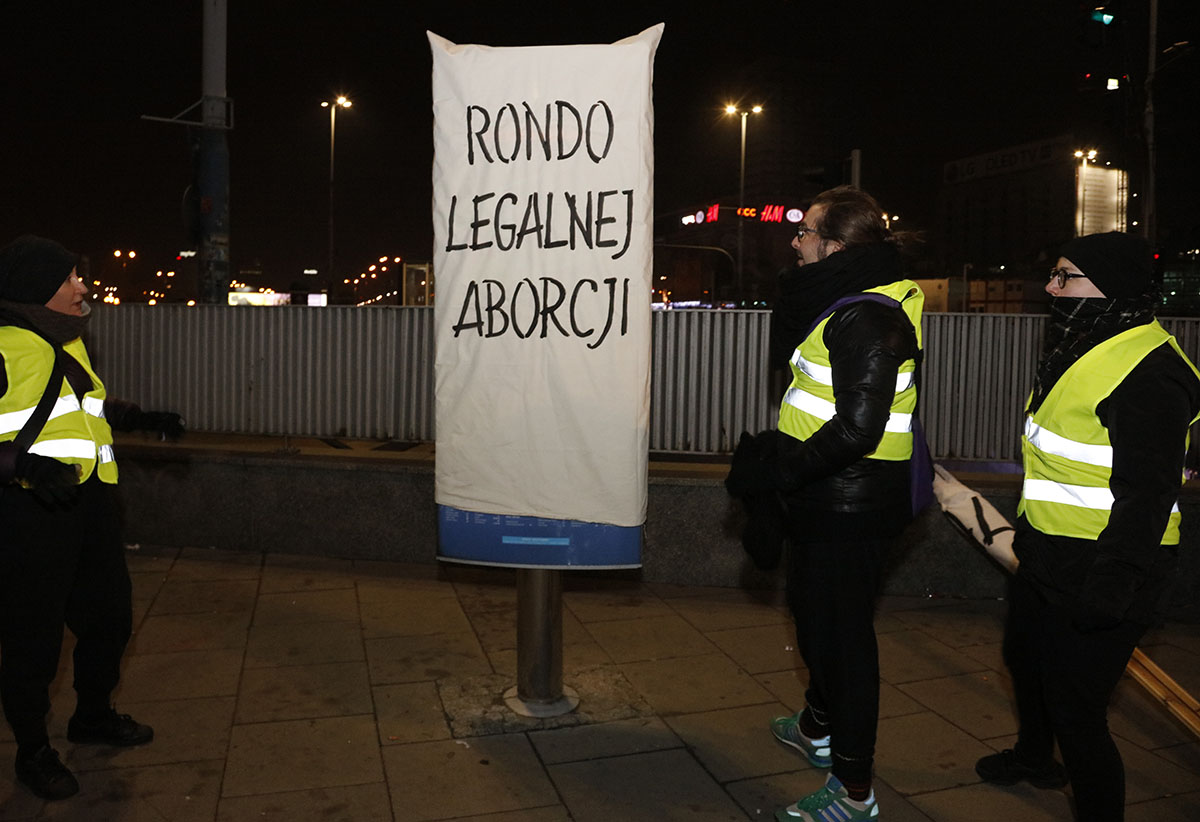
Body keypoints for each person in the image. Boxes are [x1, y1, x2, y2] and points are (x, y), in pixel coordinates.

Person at [975, 232, 1200, 821]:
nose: (1051, 288)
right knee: (1024, 659)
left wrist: (1111, 588)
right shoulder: (1085, 343)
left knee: (1078, 712)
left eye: (1065, 276)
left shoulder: (1150, 372)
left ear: (1112, 285)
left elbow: (1148, 496)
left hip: (1106, 567)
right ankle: (1034, 757)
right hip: (1049, 553)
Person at [726, 186, 924, 822]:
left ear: (836, 247)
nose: (795, 241)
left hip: (850, 503)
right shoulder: (848, 298)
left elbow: (859, 428)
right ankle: (817, 725)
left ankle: (854, 790)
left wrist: (779, 473)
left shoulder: (866, 317)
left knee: (841, 641)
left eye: (805, 231)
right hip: (830, 494)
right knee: (815, 620)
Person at [0, 235, 184, 800]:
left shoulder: (67, 339)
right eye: (70, 278)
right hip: (28, 511)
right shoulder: (2, 345)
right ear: (36, 287)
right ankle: (33, 750)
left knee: (110, 618)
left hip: (91, 505)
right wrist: (20, 465)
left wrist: (133, 415)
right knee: (33, 638)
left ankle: (93, 715)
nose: (83, 286)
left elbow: (80, 403)